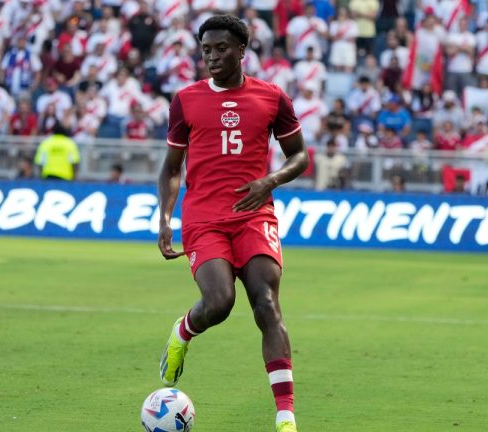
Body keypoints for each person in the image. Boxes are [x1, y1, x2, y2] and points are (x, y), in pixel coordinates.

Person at [157, 16, 308, 432]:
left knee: (267, 304)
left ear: (242, 50)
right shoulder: (185, 99)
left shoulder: (272, 97)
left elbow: (300, 156)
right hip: (204, 218)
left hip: (254, 215)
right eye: (206, 50)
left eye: (221, 49)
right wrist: (165, 219)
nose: (213, 57)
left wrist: (271, 180)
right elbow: (171, 169)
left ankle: (285, 417)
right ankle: (183, 332)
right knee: (220, 303)